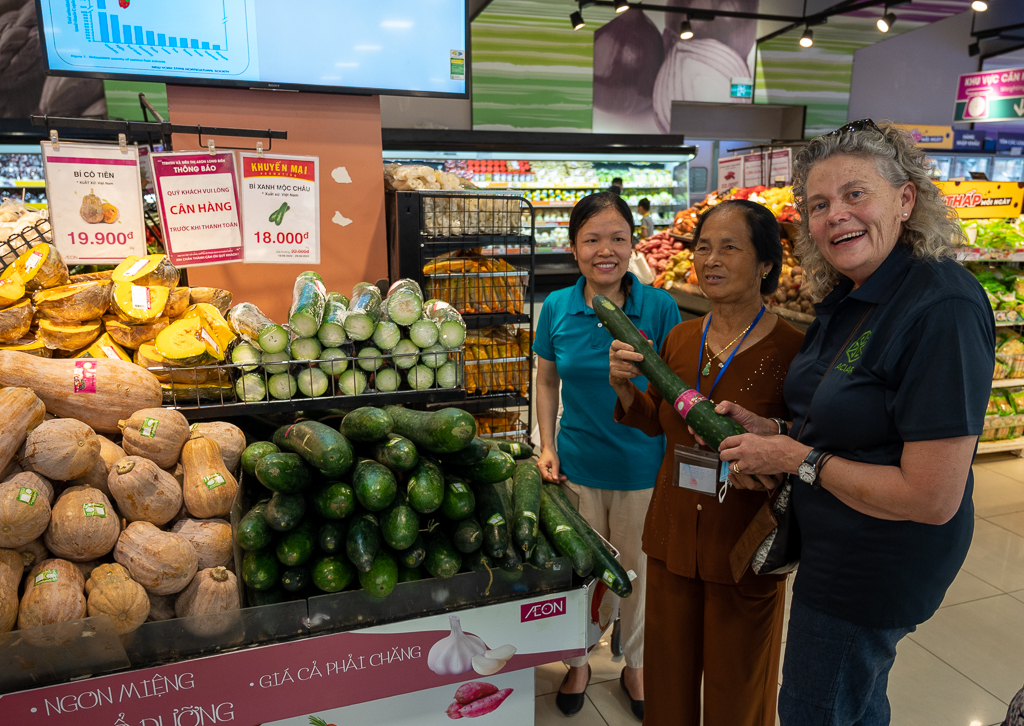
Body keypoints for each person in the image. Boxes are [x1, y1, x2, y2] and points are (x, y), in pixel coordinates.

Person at [708, 120, 995, 725]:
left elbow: (932, 496)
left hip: (875, 565)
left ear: (906, 198)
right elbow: (853, 419)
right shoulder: (853, 293)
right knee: (854, 704)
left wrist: (798, 460)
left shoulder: (941, 306)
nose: (835, 214)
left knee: (816, 710)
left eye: (855, 194)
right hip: (836, 544)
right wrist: (780, 433)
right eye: (818, 203)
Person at [609, 199, 803, 726]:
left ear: (765, 263)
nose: (710, 260)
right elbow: (658, 421)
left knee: (737, 689)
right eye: (702, 248)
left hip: (744, 547)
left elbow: (804, 445)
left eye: (728, 248)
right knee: (667, 682)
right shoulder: (679, 338)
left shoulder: (794, 352)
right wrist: (627, 389)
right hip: (673, 535)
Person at [534, 191, 681, 720]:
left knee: (639, 575)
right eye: (592, 239)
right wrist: (546, 445)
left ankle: (636, 664)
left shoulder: (660, 307)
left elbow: (672, 390)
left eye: (618, 238)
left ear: (632, 245)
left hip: (644, 466)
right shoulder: (558, 307)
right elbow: (547, 380)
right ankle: (578, 660)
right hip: (576, 464)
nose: (605, 250)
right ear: (574, 249)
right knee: (581, 574)